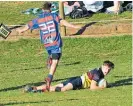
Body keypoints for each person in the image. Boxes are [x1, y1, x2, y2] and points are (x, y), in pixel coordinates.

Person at [17, 2, 81, 91]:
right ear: (50, 9)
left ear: (43, 9)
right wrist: (73, 26)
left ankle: (50, 58)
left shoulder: (38, 18)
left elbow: (28, 26)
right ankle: (49, 78)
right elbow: (62, 21)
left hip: (47, 43)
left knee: (54, 57)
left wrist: (21, 30)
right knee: (55, 61)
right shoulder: (53, 15)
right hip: (55, 43)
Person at [24, 60, 114, 93]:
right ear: (102, 66)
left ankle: (34, 88)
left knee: (55, 86)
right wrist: (102, 88)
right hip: (78, 82)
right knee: (63, 89)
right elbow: (92, 87)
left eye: (109, 70)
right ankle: (38, 91)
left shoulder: (99, 71)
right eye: (106, 68)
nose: (107, 71)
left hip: (77, 79)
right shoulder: (98, 74)